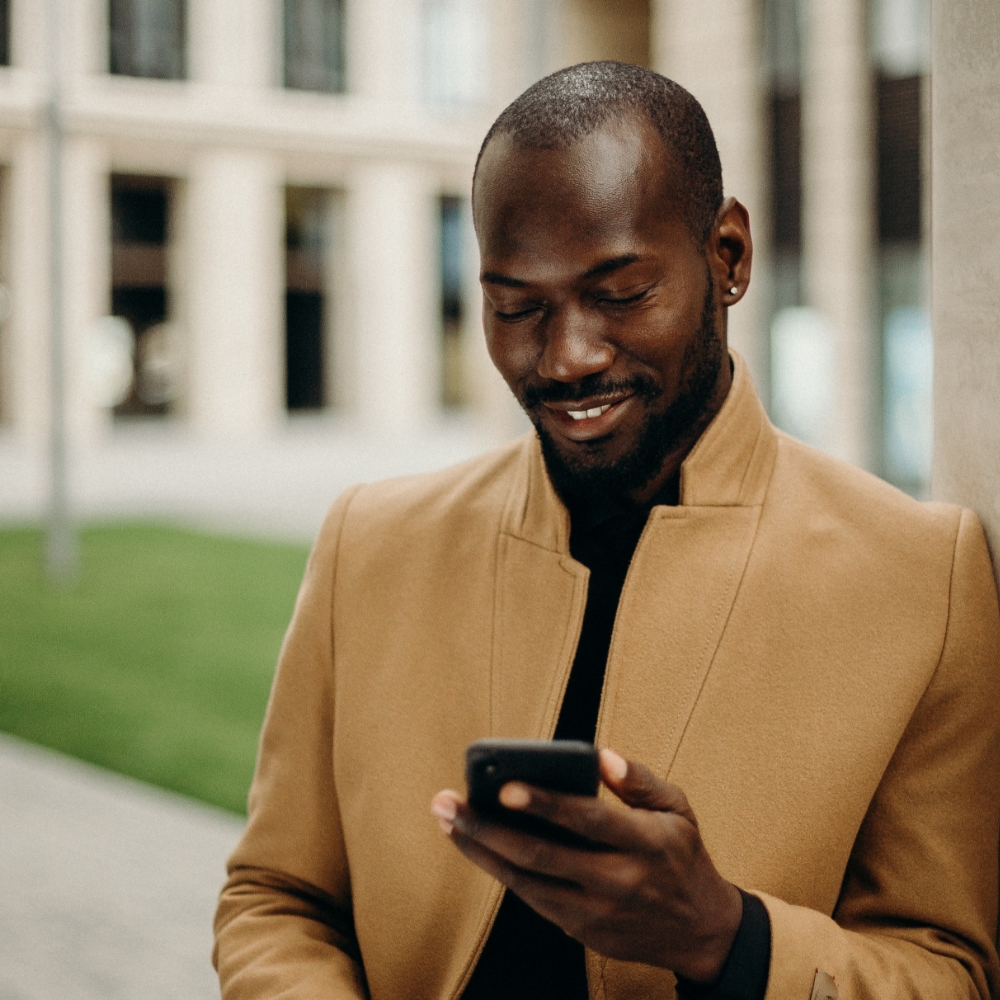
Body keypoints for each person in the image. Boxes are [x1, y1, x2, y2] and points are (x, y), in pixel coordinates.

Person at [213, 62, 1000, 1000]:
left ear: (730, 257)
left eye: (621, 294)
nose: (567, 356)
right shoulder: (369, 543)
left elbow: (950, 972)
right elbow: (275, 897)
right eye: (517, 307)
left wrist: (727, 936)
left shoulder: (924, 577)